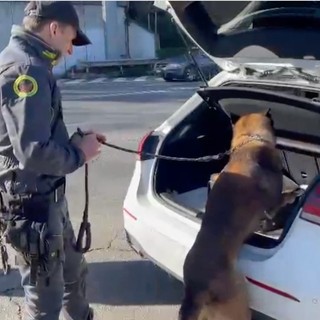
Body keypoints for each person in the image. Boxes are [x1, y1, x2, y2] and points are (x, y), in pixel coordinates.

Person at [0, 1, 104, 319]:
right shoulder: (27, 68)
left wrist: (74, 142)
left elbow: (27, 137)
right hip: (32, 204)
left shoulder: (25, 60)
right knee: (45, 298)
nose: (70, 50)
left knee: (74, 272)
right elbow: (32, 151)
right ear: (54, 29)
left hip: (46, 197)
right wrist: (79, 154)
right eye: (71, 39)